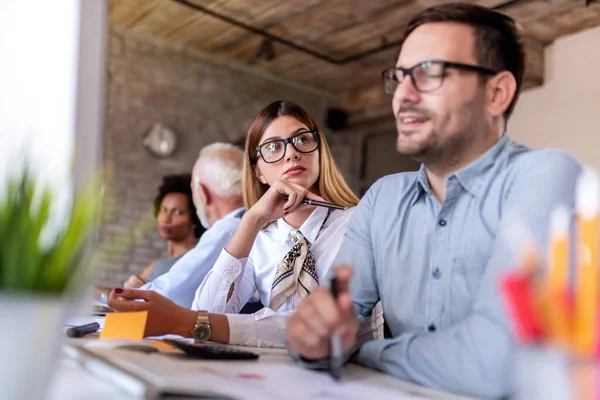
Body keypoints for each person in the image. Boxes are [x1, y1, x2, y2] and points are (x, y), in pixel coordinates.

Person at [286, 3, 582, 398]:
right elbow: (320, 326)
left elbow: (494, 363)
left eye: (429, 73)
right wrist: (312, 336)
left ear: (496, 93)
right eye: (399, 76)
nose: (402, 96)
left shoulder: (547, 176)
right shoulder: (382, 198)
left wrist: (362, 352)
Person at [108, 101, 366, 348]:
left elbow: (324, 327)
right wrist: (252, 220)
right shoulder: (260, 238)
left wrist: (192, 322)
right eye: (274, 147)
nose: (292, 152)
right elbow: (206, 311)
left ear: (320, 153)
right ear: (258, 172)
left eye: (302, 139)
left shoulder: (359, 223)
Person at [125, 143, 246, 308]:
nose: (167, 218)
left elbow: (167, 295)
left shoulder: (228, 230)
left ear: (203, 193)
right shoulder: (246, 223)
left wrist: (136, 291)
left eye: (177, 212)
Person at [122, 174, 204, 289]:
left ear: (195, 220)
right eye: (164, 210)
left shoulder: (195, 261)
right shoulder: (156, 265)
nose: (166, 218)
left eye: (177, 212)